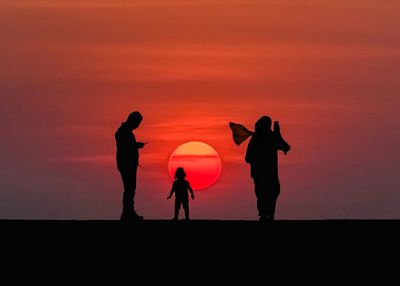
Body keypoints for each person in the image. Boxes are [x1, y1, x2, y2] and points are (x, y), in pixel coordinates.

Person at [245, 116, 291, 221]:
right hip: (265, 173)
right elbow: (248, 158)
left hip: (264, 173)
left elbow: (285, 146)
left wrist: (277, 134)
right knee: (267, 192)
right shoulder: (265, 138)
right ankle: (266, 214)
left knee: (268, 192)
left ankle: (266, 214)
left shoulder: (259, 138)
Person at [115, 111, 146, 221]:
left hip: (128, 164)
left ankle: (128, 212)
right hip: (126, 164)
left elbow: (127, 146)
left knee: (130, 188)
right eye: (137, 123)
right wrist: (136, 145)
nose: (138, 125)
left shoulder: (124, 131)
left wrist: (135, 145)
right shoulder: (123, 132)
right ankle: (127, 213)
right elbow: (125, 147)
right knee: (129, 188)